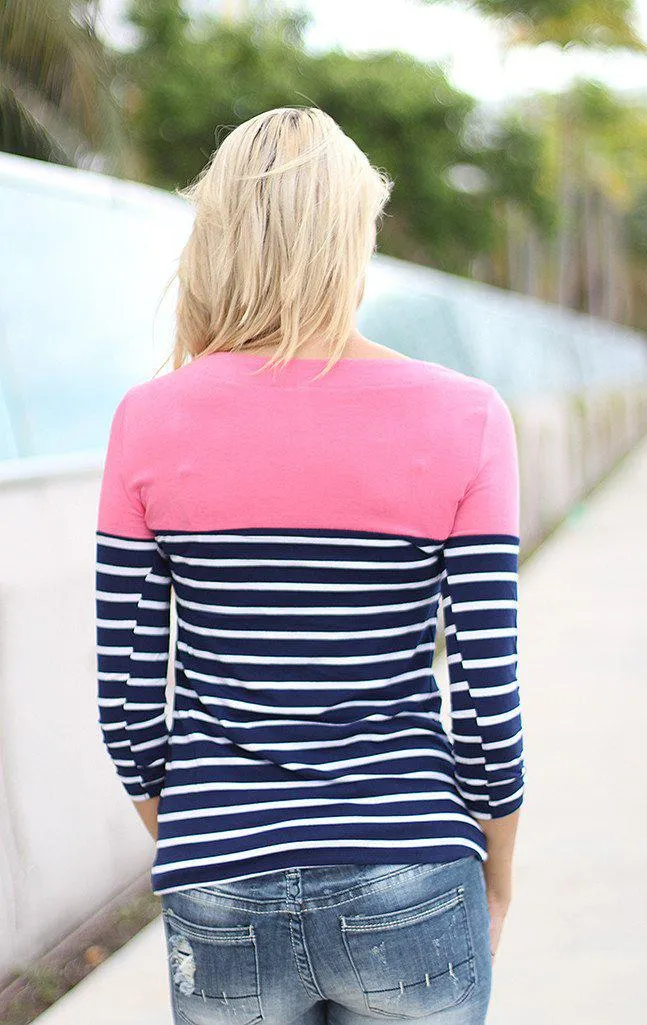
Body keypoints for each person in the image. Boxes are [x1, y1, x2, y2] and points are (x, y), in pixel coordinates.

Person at [95, 106, 525, 1025]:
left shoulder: (147, 419)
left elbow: (126, 706)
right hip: (412, 863)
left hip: (219, 879)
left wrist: (203, 841)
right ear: (349, 239)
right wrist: (498, 868)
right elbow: (489, 692)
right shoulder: (467, 416)